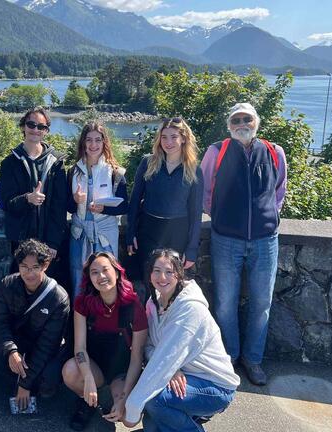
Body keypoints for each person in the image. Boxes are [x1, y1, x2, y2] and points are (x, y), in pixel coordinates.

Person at [201, 103, 287, 385]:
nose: (241, 123)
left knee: (262, 303)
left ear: (256, 122)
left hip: (265, 239)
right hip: (226, 239)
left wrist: (268, 217)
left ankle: (253, 360)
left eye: (246, 119)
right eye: (236, 119)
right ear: (229, 125)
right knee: (225, 303)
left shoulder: (274, 152)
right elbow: (205, 190)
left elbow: (279, 190)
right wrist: (221, 217)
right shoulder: (217, 151)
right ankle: (229, 357)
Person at [123, 249, 239, 432]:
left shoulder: (190, 308)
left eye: (169, 271)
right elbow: (151, 347)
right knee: (152, 425)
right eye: (157, 270)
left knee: (153, 400)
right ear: (150, 273)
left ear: (179, 274)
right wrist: (173, 369)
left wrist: (132, 407)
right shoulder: (154, 303)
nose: (162, 277)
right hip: (184, 375)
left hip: (215, 386)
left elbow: (166, 357)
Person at [62, 252, 147, 431]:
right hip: (94, 366)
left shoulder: (133, 305)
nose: (101, 276)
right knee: (70, 371)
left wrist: (123, 398)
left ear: (116, 273)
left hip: (121, 370)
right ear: (89, 278)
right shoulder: (83, 303)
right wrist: (88, 377)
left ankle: (115, 397)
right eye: (94, 272)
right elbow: (80, 348)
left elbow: (137, 356)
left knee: (129, 418)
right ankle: (89, 401)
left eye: (105, 270)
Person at [0, 239, 70, 412]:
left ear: (45, 265)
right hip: (18, 343)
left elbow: (48, 344)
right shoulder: (7, 285)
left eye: (35, 267)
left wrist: (25, 385)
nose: (29, 273)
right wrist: (11, 350)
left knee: (49, 378)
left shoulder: (58, 298)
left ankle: (28, 385)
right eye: (24, 267)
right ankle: (18, 381)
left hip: (43, 348)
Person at [0, 107, 69, 281]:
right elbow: (6, 202)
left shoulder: (56, 163)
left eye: (41, 127)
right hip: (20, 240)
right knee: (20, 286)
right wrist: (27, 199)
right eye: (31, 124)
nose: (35, 130)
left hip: (47, 241)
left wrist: (54, 242)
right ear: (23, 127)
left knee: (47, 289)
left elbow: (59, 207)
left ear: (46, 131)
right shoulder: (10, 163)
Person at [127, 116, 203, 279]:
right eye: (164, 137)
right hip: (148, 230)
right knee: (149, 279)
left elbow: (196, 213)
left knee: (172, 281)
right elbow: (134, 201)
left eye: (174, 137)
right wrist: (130, 233)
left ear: (183, 139)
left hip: (177, 232)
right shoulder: (148, 163)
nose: (168, 142)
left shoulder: (193, 169)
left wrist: (191, 249)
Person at [67, 122, 129, 297]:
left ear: (104, 143)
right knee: (79, 278)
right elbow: (68, 207)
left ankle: (105, 320)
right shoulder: (73, 172)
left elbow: (124, 206)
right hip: (79, 235)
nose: (93, 145)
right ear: (83, 143)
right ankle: (80, 321)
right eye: (89, 140)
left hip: (105, 235)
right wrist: (75, 199)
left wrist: (104, 209)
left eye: (97, 140)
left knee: (107, 280)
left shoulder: (116, 173)